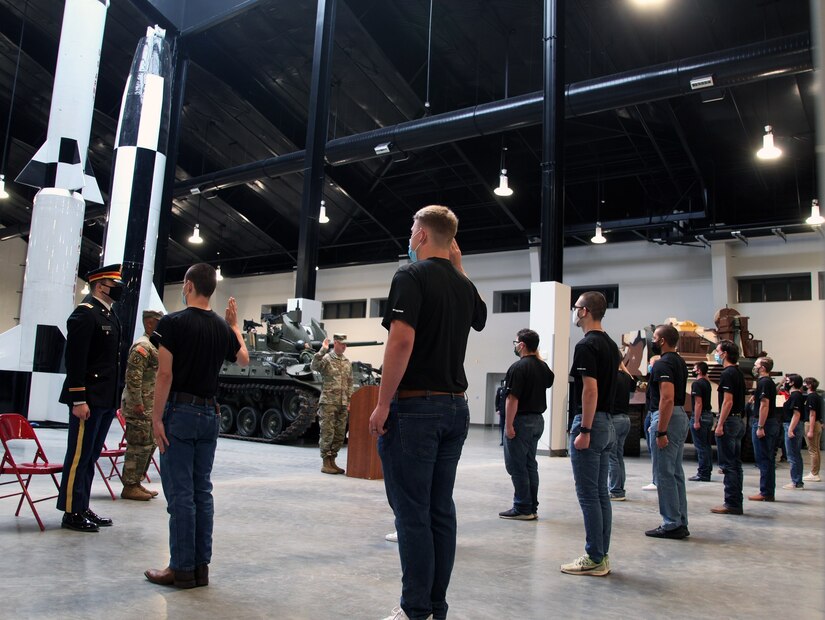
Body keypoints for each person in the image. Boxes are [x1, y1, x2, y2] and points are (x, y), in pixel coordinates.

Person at [368, 205, 486, 620]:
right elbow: (480, 317)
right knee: (440, 509)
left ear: (421, 235)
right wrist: (459, 266)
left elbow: (400, 342)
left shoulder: (409, 276)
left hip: (416, 407)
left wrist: (383, 404)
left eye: (412, 226)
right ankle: (436, 606)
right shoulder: (462, 284)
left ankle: (415, 609)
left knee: (412, 513)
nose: (410, 234)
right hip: (456, 408)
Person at [145, 263, 249, 589]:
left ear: (188, 286)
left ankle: (181, 569)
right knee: (202, 492)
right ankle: (200, 568)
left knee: (180, 495)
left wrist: (156, 417)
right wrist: (234, 326)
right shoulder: (221, 327)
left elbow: (165, 374)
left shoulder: (172, 323)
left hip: (180, 412)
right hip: (209, 416)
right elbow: (243, 357)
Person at [56, 264, 124, 532]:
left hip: (105, 399)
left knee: (92, 454)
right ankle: (71, 511)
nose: (118, 289)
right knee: (79, 455)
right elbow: (74, 361)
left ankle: (81, 505)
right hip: (89, 399)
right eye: (112, 283)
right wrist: (78, 399)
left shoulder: (109, 314)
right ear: (99, 286)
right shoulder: (85, 315)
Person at [561, 291, 619, 577]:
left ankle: (594, 556)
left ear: (584, 311)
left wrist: (583, 428)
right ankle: (601, 555)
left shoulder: (587, 345)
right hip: (607, 424)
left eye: (575, 308)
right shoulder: (611, 345)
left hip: (591, 425)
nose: (574, 312)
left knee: (588, 495)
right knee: (600, 495)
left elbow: (590, 389)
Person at [499, 328, 554, 520]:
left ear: (522, 345)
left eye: (515, 343)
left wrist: (508, 425)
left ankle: (522, 507)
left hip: (521, 421)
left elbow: (512, 399)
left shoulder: (518, 368)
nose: (514, 346)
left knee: (516, 465)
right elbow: (548, 382)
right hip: (538, 421)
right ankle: (531, 506)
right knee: (530, 464)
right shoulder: (543, 367)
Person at [645, 324, 690, 539]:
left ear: (662, 341)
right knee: (675, 473)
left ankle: (671, 523)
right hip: (680, 415)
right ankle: (680, 521)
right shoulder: (679, 362)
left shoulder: (663, 364)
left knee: (664, 474)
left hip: (668, 418)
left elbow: (667, 398)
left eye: (654, 337)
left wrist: (661, 431)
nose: (652, 341)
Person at [120, 309, 163, 501]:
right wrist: (137, 402)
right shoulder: (142, 347)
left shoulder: (153, 345)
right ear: (149, 324)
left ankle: (136, 482)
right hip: (139, 405)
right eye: (158, 322)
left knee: (148, 444)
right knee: (137, 445)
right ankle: (129, 486)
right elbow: (133, 377)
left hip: (148, 405)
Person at [710, 340, 746, 515]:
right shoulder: (738, 373)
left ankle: (731, 503)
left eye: (717, 351)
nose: (716, 354)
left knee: (728, 465)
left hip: (729, 422)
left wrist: (720, 423)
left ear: (724, 354)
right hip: (738, 421)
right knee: (736, 464)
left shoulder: (727, 373)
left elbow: (728, 401)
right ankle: (736, 501)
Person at [311, 333, 354, 475]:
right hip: (328, 402)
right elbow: (314, 365)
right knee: (327, 432)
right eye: (342, 343)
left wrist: (349, 401)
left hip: (342, 404)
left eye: (345, 344)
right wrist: (322, 350)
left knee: (340, 434)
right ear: (335, 343)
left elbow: (350, 383)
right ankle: (325, 462)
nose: (344, 346)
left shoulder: (347, 362)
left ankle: (332, 461)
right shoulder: (327, 359)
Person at [748, 357, 781, 502]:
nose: (754, 367)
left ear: (762, 368)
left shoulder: (764, 382)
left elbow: (764, 405)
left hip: (765, 424)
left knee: (764, 459)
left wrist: (760, 426)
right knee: (767, 459)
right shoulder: (767, 383)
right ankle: (767, 491)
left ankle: (765, 492)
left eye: (756, 365)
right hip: (770, 423)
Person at [608, 362, 635, 501]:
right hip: (625, 419)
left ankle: (616, 490)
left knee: (612, 457)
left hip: (614, 419)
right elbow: (633, 383)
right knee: (618, 456)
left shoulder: (611, 376)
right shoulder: (626, 377)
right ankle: (619, 489)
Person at [688, 361, 714, 482]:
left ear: (698, 370)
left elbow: (698, 403)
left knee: (701, 447)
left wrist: (696, 420)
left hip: (701, 416)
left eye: (694, 368)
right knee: (706, 446)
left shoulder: (697, 384)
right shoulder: (707, 383)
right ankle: (707, 470)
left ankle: (703, 473)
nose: (693, 370)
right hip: (708, 416)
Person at [781, 374, 806, 490]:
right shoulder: (795, 395)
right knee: (795, 454)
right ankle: (797, 481)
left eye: (787, 381)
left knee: (793, 455)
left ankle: (796, 481)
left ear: (792, 383)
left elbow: (796, 414)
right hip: (792, 425)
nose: (785, 382)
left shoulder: (796, 396)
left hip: (792, 426)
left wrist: (790, 429)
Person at [641, 355, 661, 492]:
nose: (649, 366)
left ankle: (657, 481)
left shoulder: (659, 380)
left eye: (651, 363)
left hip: (655, 414)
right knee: (653, 450)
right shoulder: (653, 380)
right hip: (651, 413)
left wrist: (655, 422)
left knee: (656, 451)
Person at [803, 377, 822, 482]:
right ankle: (815, 472)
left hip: (812, 425)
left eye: (805, 383)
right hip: (817, 424)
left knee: (812, 450)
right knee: (816, 450)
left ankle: (814, 473)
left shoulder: (811, 397)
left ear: (810, 385)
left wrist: (810, 430)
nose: (804, 385)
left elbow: (812, 414)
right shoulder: (817, 396)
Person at [495, 380, 506, 446]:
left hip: (509, 412)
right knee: (502, 427)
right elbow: (497, 400)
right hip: (502, 411)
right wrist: (497, 409)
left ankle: (507, 441)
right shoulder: (500, 389)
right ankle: (502, 441)